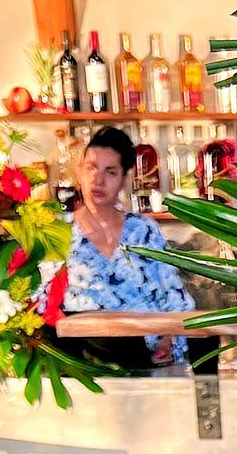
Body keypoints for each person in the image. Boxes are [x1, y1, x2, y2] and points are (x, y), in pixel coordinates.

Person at [64, 126, 192, 369]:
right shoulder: (60, 233)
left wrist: (169, 339)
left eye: (110, 172)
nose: (98, 180)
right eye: (92, 168)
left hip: (153, 364)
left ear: (124, 179)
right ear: (79, 171)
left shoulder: (143, 230)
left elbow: (175, 298)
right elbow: (43, 304)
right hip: (87, 367)